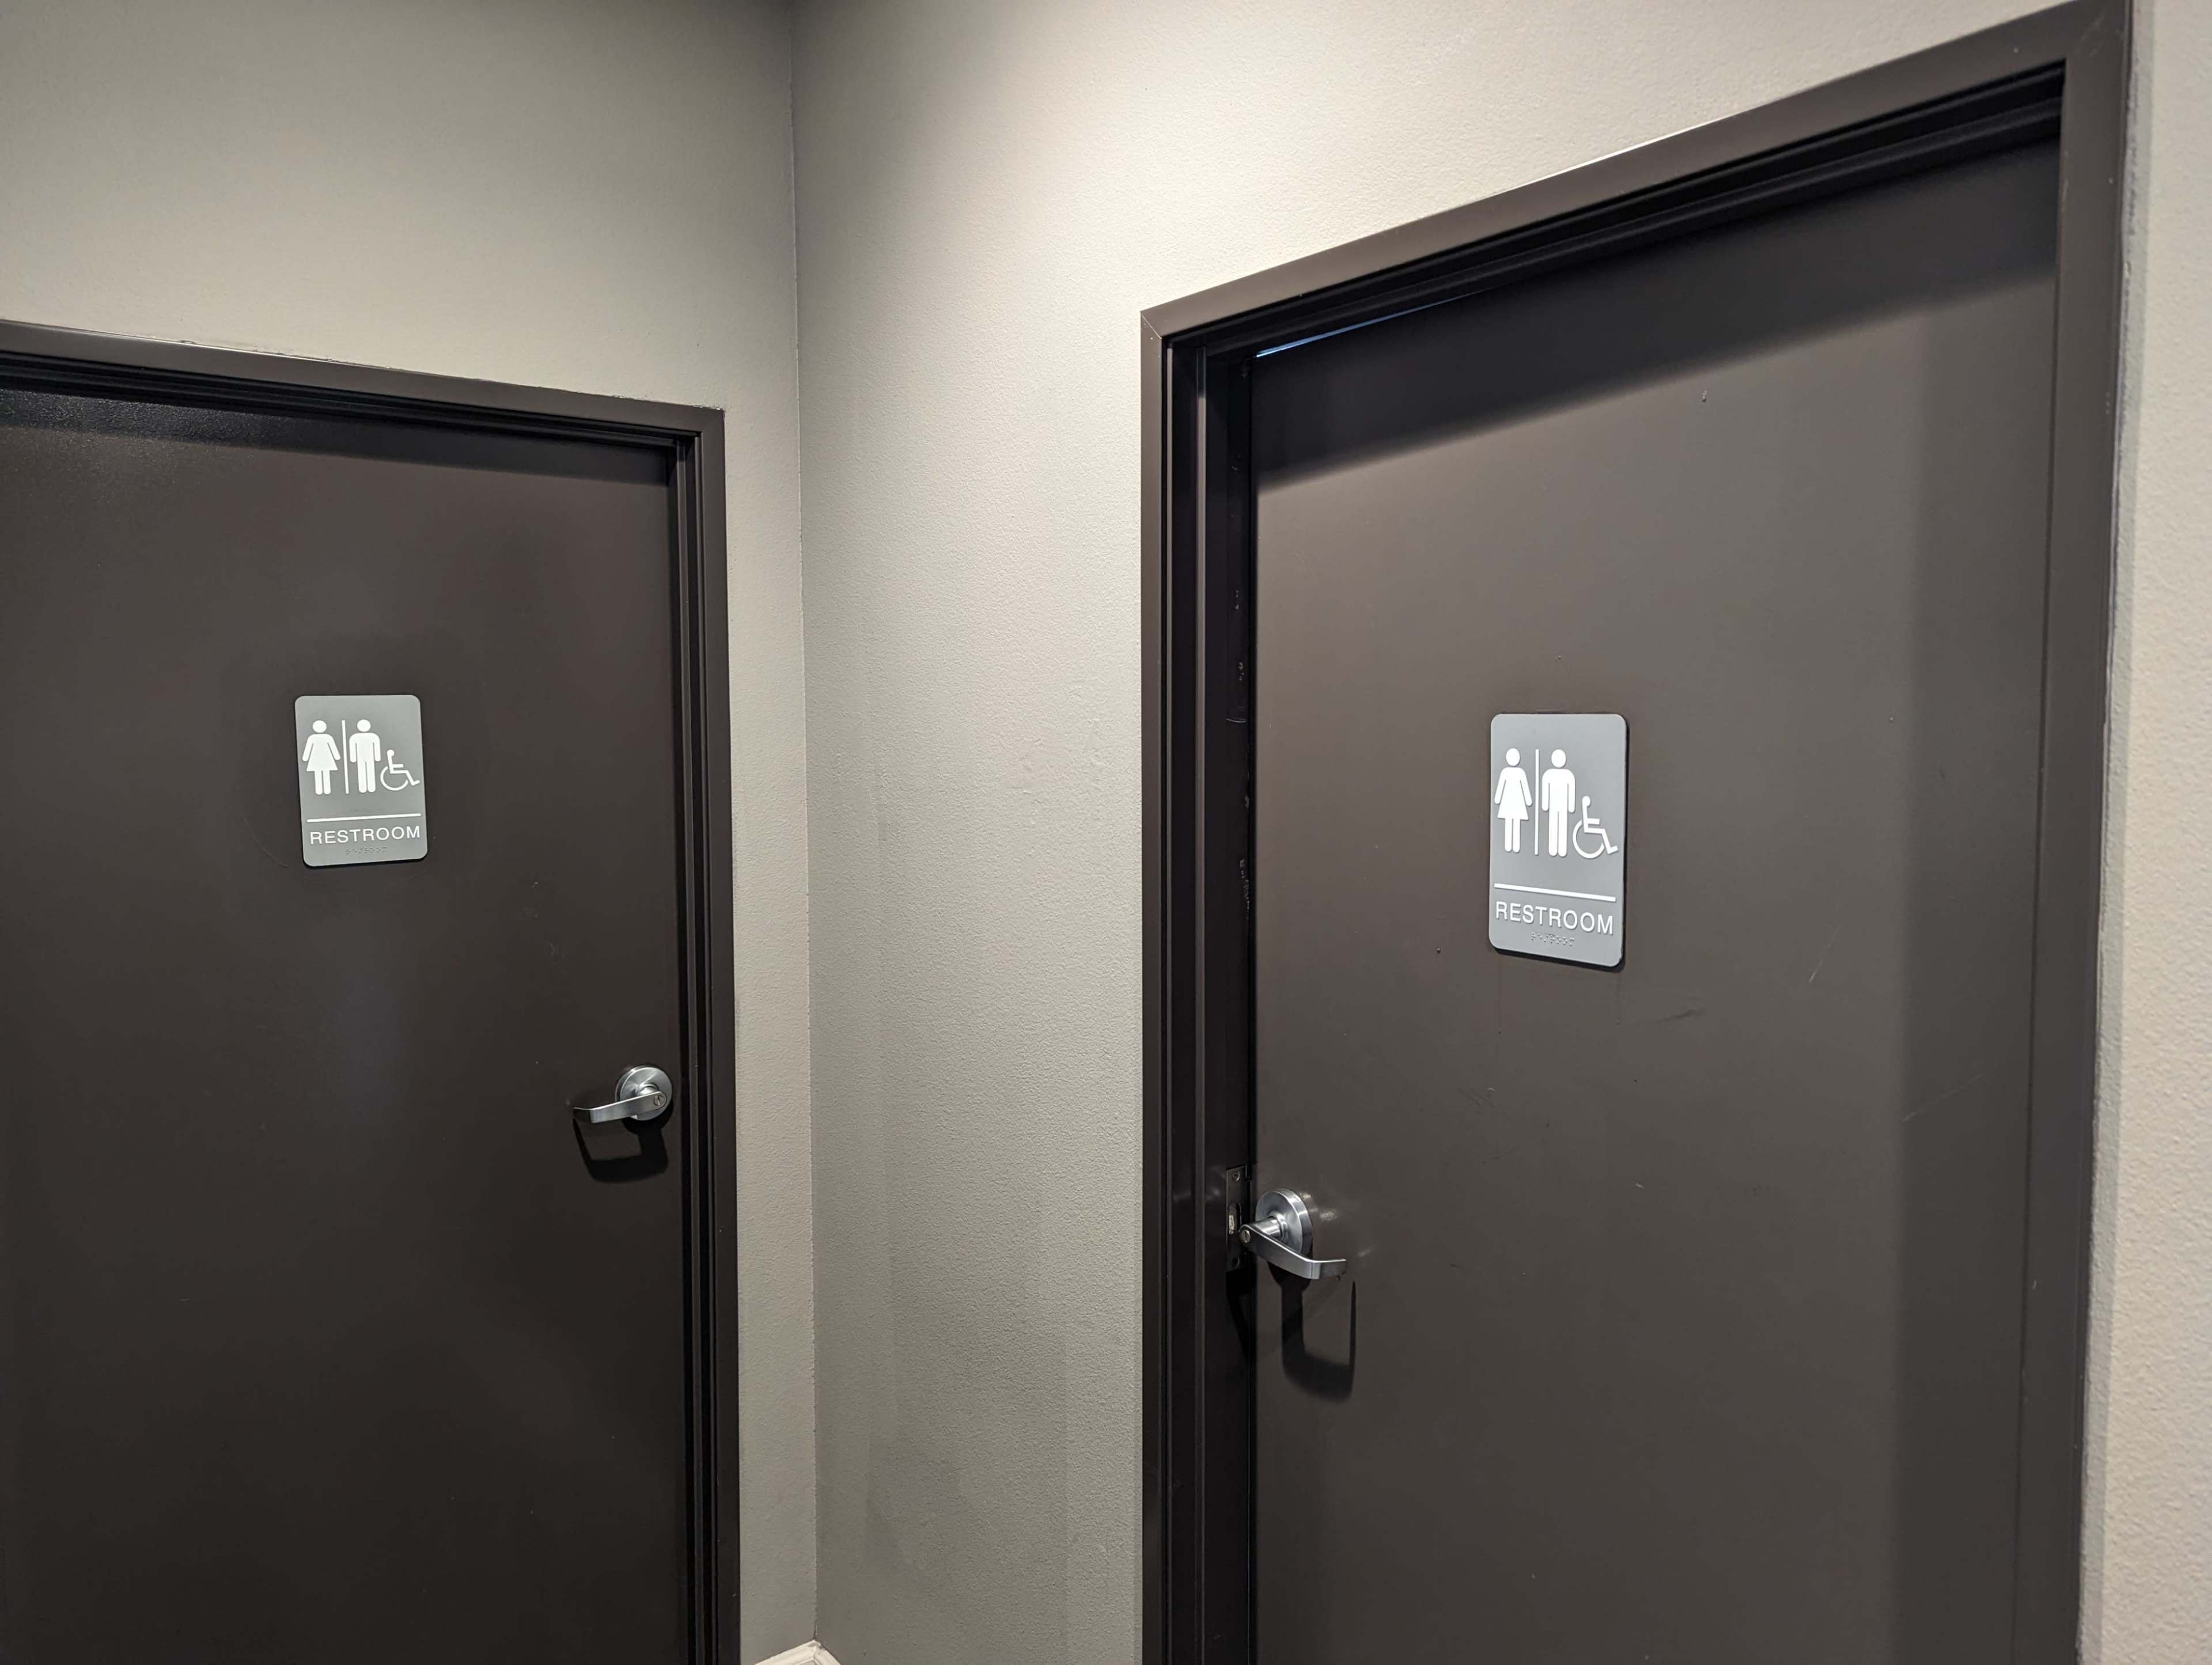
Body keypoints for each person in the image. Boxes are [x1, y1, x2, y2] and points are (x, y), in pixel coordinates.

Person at [1494, 748, 1533, 852]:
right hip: (1514, 802)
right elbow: (1501, 786)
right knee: (1513, 823)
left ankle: (1513, 846)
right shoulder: (1515, 773)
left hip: (1512, 802)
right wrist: (1528, 801)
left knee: (1512, 823)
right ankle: (1512, 846)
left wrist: (1498, 799)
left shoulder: (1509, 772)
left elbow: (1524, 787)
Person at [1540, 748, 1576, 856]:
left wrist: (1571, 806)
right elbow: (1545, 791)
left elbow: (1571, 792)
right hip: (1555, 805)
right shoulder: (1549, 774)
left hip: (1562, 805)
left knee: (1561, 825)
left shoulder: (1568, 775)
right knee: (1554, 825)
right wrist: (1545, 805)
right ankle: (1553, 849)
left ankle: (1561, 849)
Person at [301, 719, 342, 795]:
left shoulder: (314, 738)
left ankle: (322, 791)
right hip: (324, 759)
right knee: (323, 773)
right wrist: (337, 757)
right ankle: (325, 790)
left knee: (320, 774)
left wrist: (305, 758)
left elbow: (308, 749)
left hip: (317, 759)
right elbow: (333, 748)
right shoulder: (326, 737)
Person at [347, 719, 382, 793]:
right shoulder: (356, 737)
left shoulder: (372, 737)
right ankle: (364, 788)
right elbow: (353, 748)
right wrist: (353, 758)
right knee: (363, 771)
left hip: (368, 756)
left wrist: (377, 757)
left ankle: (370, 787)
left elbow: (376, 747)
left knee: (367, 770)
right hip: (362, 757)